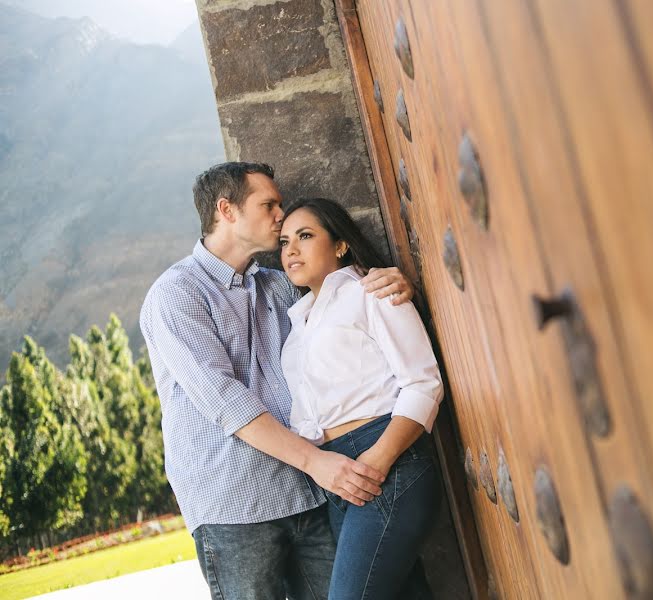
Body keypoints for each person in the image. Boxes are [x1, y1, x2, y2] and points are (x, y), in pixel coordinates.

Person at [139, 162, 414, 600]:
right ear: (226, 210)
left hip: (308, 493)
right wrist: (316, 462)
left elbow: (346, 307)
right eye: (269, 204)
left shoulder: (279, 286)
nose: (280, 215)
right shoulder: (176, 294)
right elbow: (226, 401)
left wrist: (390, 282)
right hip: (234, 504)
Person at [277, 198, 443, 599]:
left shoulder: (371, 290)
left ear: (340, 245)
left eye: (305, 236)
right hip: (336, 474)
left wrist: (378, 459)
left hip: (387, 460)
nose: (291, 250)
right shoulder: (299, 322)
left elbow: (423, 383)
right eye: (283, 242)